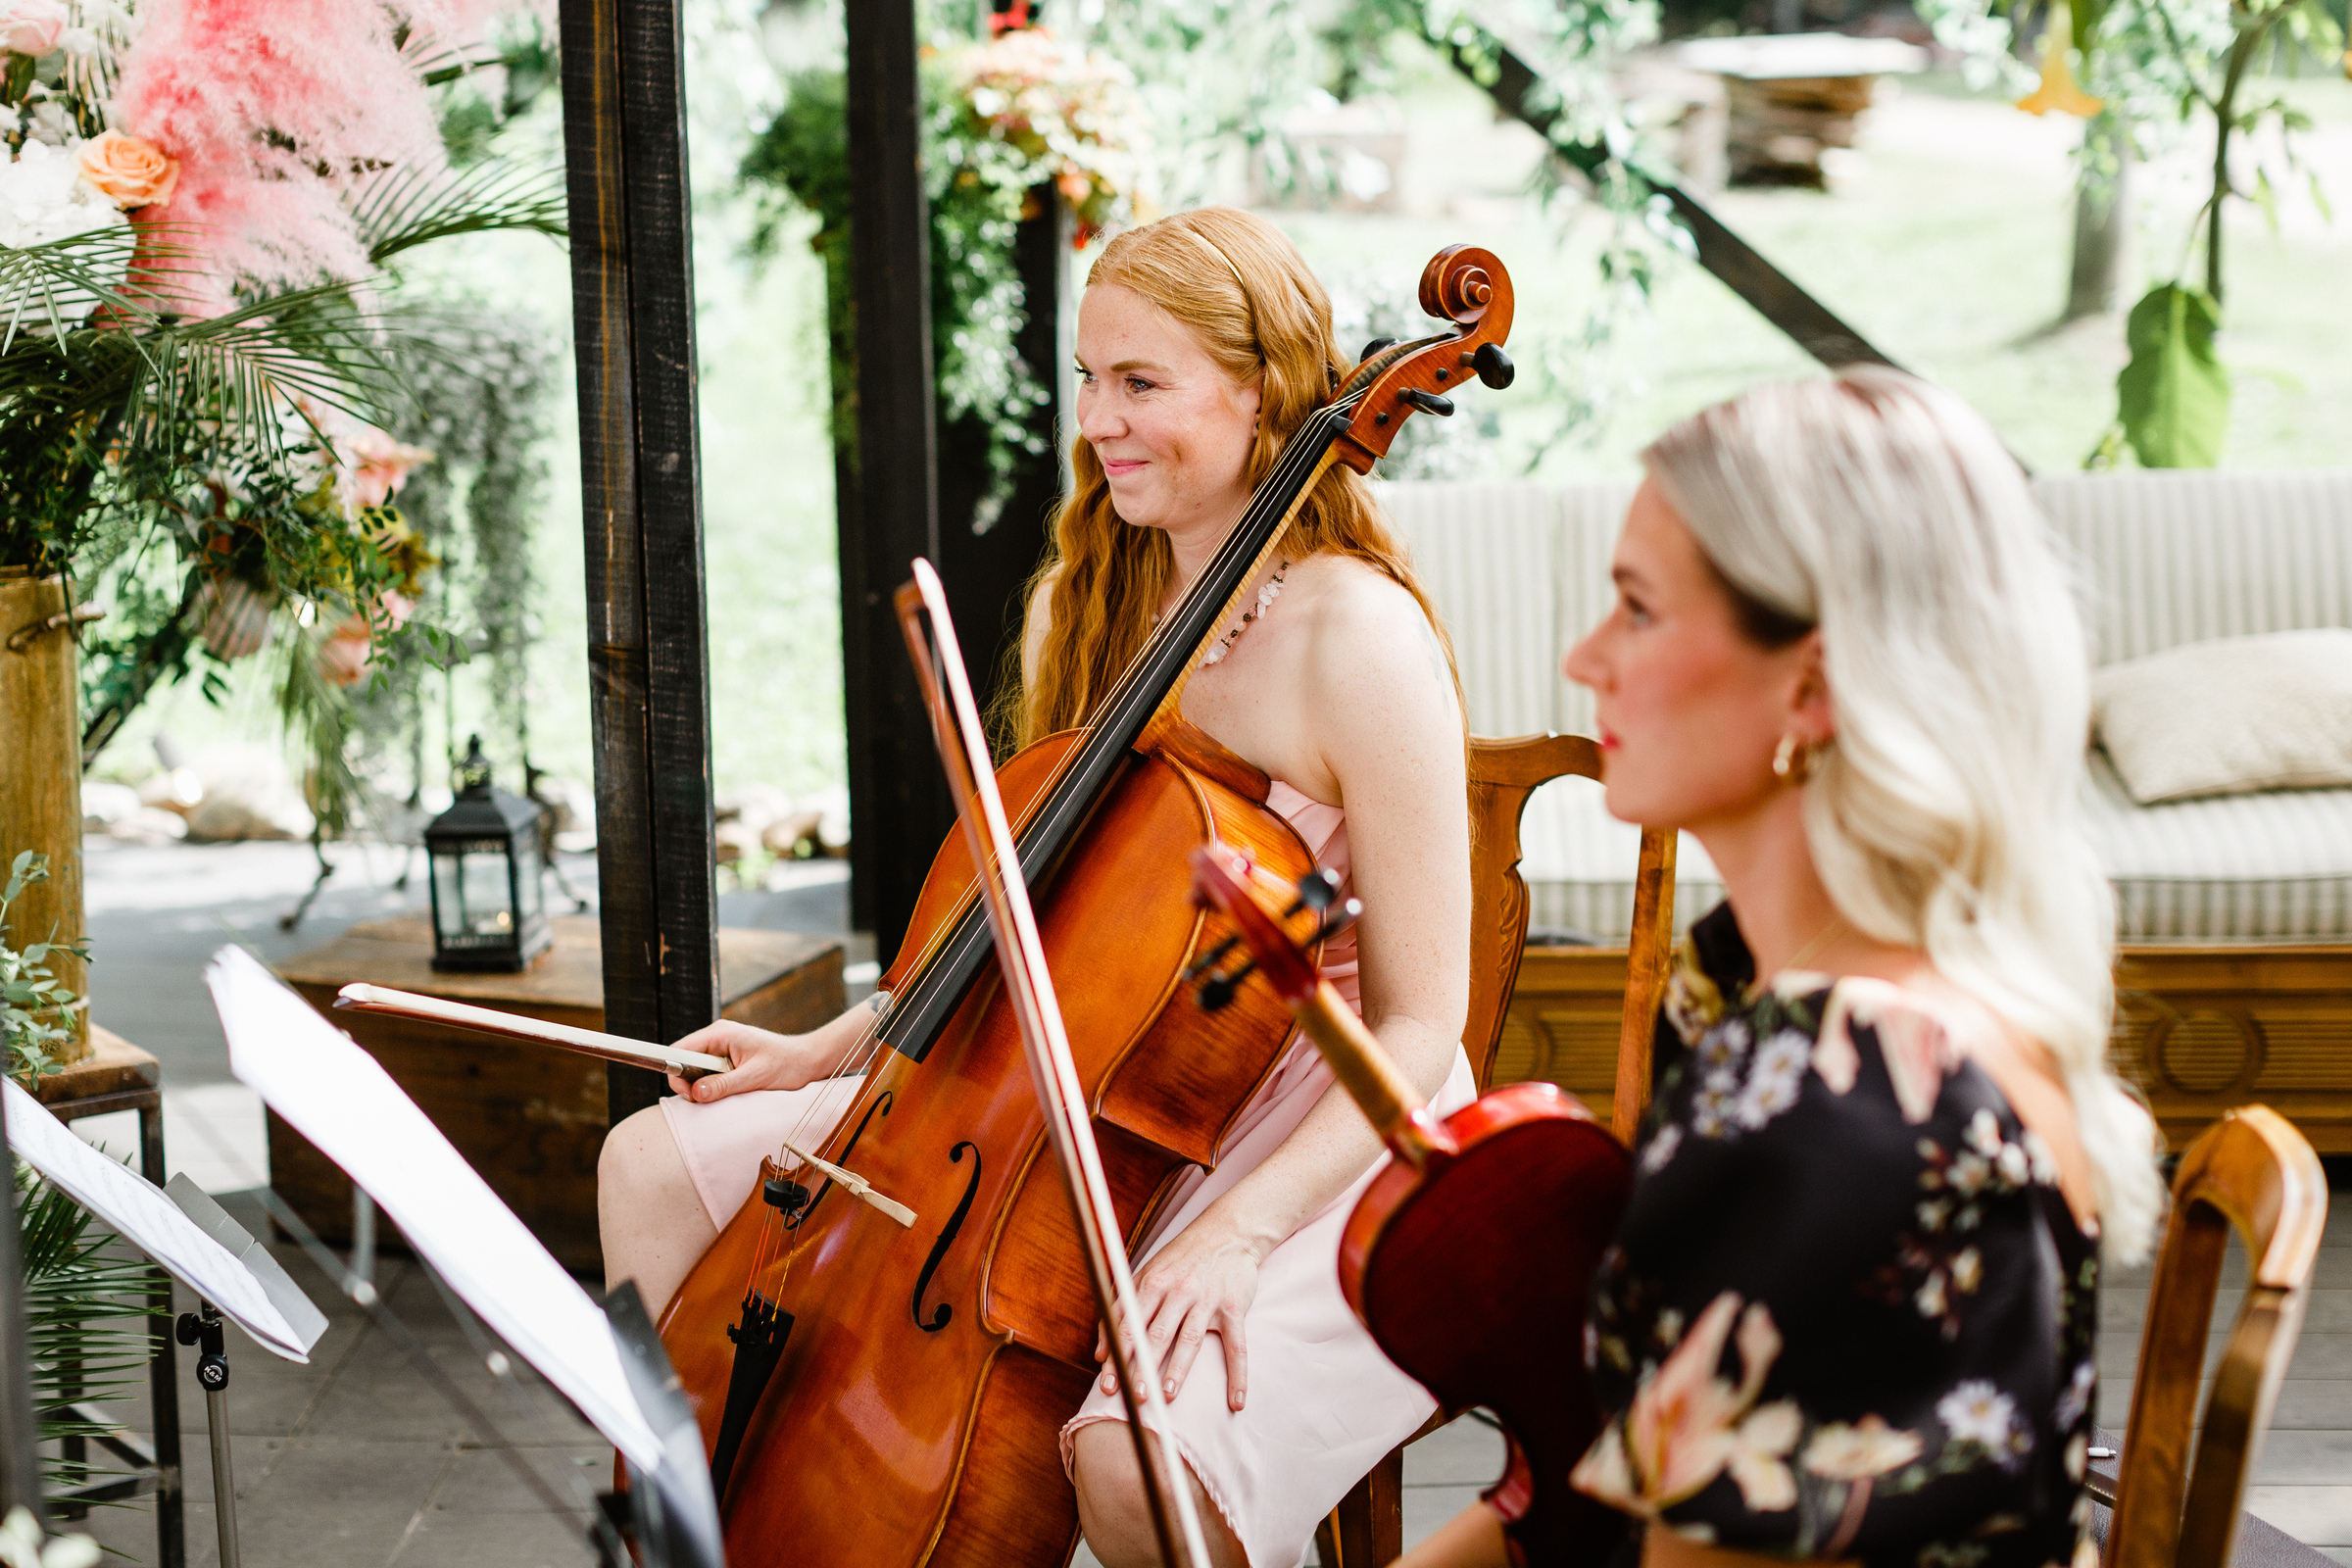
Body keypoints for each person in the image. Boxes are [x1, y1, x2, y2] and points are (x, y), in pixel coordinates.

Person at [595, 206, 1480, 1568]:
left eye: (1142, 382)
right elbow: (1044, 925)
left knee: (1141, 1471)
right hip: (1094, 1080)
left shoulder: (1355, 635)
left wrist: (1242, 1232)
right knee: (652, 1166)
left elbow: (1424, 1028)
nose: (1099, 421)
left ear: (1265, 392)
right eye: (1088, 377)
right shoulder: (1098, 604)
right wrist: (843, 1042)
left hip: (1330, 1119)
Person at [1401, 368, 2165, 1568]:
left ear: (1811, 682)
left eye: (1638, 610)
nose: (1584, 657)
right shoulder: (1755, 983)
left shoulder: (1829, 1094)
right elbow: (1610, 1484)